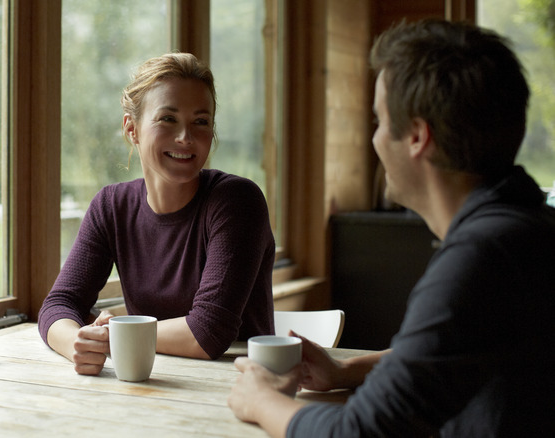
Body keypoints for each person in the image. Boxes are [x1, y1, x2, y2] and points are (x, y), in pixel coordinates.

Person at [228, 19, 555, 437]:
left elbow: (361, 434)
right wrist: (346, 370)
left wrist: (263, 402)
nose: (375, 139)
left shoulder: (484, 256)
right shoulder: (526, 229)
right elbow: (455, 353)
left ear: (418, 136)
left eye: (379, 122)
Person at [38, 53, 275, 375]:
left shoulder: (236, 201)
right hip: (150, 380)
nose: (185, 138)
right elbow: (59, 304)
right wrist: (76, 344)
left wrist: (115, 335)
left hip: (241, 385)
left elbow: (208, 332)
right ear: (132, 128)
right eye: (168, 119)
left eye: (201, 122)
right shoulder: (111, 206)